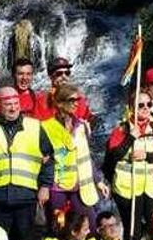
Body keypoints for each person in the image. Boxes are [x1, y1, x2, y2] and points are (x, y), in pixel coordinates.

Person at [0, 86, 53, 240]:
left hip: (26, 195)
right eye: (8, 104)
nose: (13, 108)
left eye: (16, 103)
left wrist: (45, 186)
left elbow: (49, 158)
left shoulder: (35, 126)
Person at [104, 89, 153, 240]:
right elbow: (113, 156)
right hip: (128, 189)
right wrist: (130, 138)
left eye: (149, 104)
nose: (146, 108)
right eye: (141, 105)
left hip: (152, 188)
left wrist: (146, 155)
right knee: (134, 231)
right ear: (131, 108)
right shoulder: (122, 129)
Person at [42, 83, 108, 224]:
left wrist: (98, 181)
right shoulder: (46, 127)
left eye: (77, 100)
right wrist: (44, 186)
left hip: (80, 186)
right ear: (60, 103)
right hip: (57, 187)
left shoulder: (81, 126)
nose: (76, 104)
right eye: (72, 100)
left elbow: (85, 157)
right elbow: (43, 161)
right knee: (58, 226)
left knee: (89, 224)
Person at [32, 57, 92, 121]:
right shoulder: (40, 101)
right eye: (59, 74)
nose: (64, 77)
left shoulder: (80, 100)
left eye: (67, 73)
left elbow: (89, 120)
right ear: (50, 76)